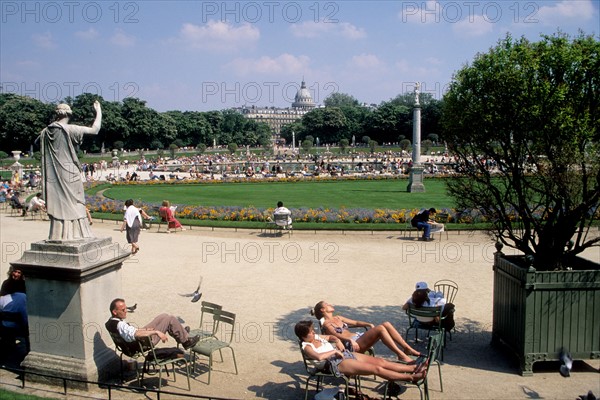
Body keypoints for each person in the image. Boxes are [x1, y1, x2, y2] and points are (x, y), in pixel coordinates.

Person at [39, 101, 101, 241]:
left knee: (60, 200)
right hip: (70, 171)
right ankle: (78, 233)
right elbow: (95, 130)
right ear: (69, 113)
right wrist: (98, 112)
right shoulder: (70, 129)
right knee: (76, 202)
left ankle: (59, 233)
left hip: (55, 172)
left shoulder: (45, 132)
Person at [295, 321, 426, 384]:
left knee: (381, 361)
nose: (313, 332)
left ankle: (413, 367)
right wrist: (333, 352)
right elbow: (318, 357)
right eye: (310, 332)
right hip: (333, 363)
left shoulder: (316, 337)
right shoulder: (306, 346)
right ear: (303, 336)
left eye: (313, 330)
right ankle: (411, 378)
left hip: (344, 355)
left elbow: (331, 337)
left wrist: (337, 341)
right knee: (376, 369)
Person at [314, 301, 421, 363]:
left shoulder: (338, 317)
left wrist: (368, 324)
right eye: (327, 304)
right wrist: (350, 340)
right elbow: (336, 335)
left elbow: (355, 322)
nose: (330, 304)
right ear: (323, 310)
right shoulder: (326, 324)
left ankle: (407, 348)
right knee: (380, 329)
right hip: (351, 345)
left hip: (358, 338)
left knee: (386, 324)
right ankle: (401, 354)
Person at [105, 298, 200, 351]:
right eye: (123, 310)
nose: (126, 311)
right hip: (144, 343)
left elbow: (131, 332)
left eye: (126, 308)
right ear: (115, 311)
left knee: (163, 316)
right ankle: (185, 341)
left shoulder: (111, 322)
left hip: (136, 340)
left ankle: (180, 332)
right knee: (169, 319)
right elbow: (135, 334)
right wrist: (156, 332)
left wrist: (145, 330)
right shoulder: (120, 325)